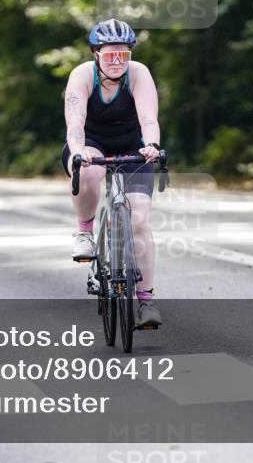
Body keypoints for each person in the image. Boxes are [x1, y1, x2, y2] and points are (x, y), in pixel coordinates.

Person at [62, 19, 163, 328]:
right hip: (90, 143)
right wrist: (78, 152)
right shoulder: (82, 76)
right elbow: (75, 124)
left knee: (140, 221)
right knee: (89, 172)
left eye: (123, 54)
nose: (117, 61)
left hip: (133, 145)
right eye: (110, 55)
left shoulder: (138, 73)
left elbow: (149, 119)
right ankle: (85, 232)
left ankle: (146, 302)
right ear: (96, 54)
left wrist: (152, 145)